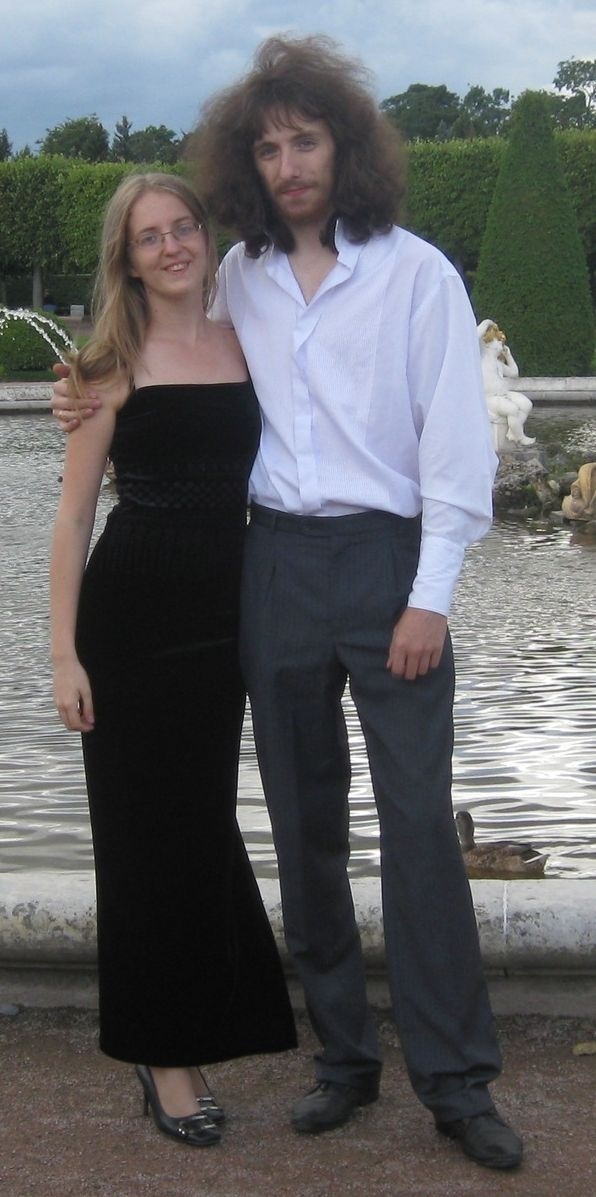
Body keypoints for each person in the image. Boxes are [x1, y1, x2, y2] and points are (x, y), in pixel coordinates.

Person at [52, 37, 523, 1172]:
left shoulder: (417, 275)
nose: (288, 164)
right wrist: (84, 389)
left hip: (388, 566)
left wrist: (430, 596)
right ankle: (343, 1060)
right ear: (246, 168)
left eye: (304, 141)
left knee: (417, 826)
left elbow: (457, 451)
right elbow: (145, 346)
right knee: (302, 824)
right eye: (266, 149)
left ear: (343, 147)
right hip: (273, 570)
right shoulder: (242, 276)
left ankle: (457, 1081)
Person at [49, 171, 296, 1150]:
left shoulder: (246, 340)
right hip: (130, 628)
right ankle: (164, 1058)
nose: (171, 246)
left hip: (222, 628)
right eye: (149, 236)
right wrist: (63, 654)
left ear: (205, 235)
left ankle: (204, 1023)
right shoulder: (106, 366)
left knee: (197, 829)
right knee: (140, 838)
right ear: (128, 257)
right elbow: (72, 519)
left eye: (182, 226)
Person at [477, 318, 535, 447]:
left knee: (526, 404)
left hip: (503, 395)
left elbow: (514, 373)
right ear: (487, 343)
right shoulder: (482, 355)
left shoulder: (498, 363)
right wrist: (488, 322)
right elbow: (475, 335)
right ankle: (520, 437)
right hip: (489, 398)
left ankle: (513, 432)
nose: (502, 344)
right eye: (498, 341)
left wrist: (508, 356)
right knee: (512, 409)